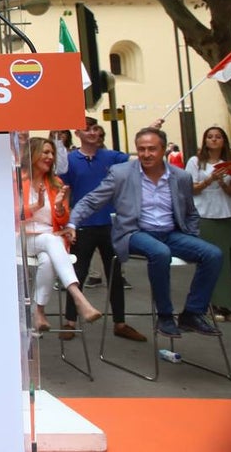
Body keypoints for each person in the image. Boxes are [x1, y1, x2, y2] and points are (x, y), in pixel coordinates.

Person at [69, 127, 223, 337]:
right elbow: (92, 200)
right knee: (160, 252)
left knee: (213, 254)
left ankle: (193, 313)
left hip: (171, 234)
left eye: (152, 149)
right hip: (134, 233)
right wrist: (72, 222)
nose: (146, 154)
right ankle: (165, 315)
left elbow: (190, 212)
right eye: (141, 149)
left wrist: (191, 237)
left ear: (163, 150)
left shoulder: (181, 176)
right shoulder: (121, 173)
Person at [59, 118, 146, 342]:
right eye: (88, 128)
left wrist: (152, 130)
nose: (93, 132)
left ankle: (120, 322)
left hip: (111, 223)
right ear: (78, 133)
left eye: (96, 128)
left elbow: (138, 159)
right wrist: (67, 222)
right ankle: (70, 321)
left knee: (115, 274)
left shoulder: (113, 157)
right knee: (77, 274)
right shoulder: (69, 160)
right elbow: (64, 189)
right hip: (83, 225)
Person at [22, 137, 102, 331]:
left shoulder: (56, 182)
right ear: (32, 154)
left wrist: (58, 208)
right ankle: (78, 297)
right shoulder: (16, 179)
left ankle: (38, 310)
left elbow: (61, 220)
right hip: (21, 237)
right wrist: (37, 205)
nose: (50, 157)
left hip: (48, 237)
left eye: (52, 154)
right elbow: (11, 215)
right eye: (45, 152)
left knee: (48, 260)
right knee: (51, 240)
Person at [185, 125, 231, 322]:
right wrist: (210, 179)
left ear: (223, 141)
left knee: (228, 260)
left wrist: (221, 182)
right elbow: (190, 189)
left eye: (218, 137)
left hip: (225, 214)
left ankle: (228, 304)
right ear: (204, 141)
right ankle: (213, 303)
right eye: (210, 136)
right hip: (204, 214)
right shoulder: (195, 162)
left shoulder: (230, 164)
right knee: (211, 258)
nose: (214, 140)